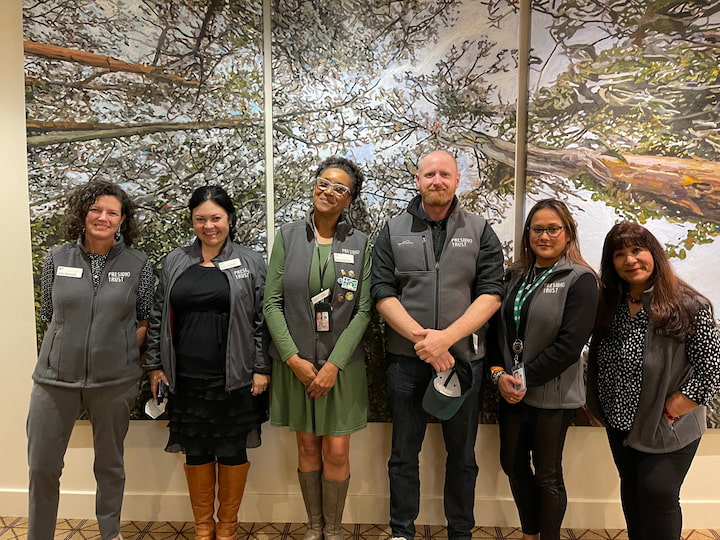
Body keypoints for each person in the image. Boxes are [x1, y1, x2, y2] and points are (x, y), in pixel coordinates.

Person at [371, 149, 504, 540]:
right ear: (418, 180)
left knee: (462, 457)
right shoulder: (393, 230)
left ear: (458, 180)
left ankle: (460, 532)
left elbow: (491, 292)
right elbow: (382, 292)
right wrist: (423, 341)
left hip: (464, 362)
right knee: (403, 455)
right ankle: (401, 532)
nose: (437, 181)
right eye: (429, 174)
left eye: (445, 174)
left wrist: (446, 339)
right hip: (406, 362)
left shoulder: (480, 230)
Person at [27, 180, 153, 540]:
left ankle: (109, 533)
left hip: (114, 383)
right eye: (95, 209)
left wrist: (117, 351)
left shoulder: (137, 264)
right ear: (82, 214)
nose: (102, 217)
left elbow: (143, 319)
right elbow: (50, 316)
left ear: (122, 219)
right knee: (42, 468)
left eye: (112, 212)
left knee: (110, 466)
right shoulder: (56, 258)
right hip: (54, 381)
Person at [145, 185, 269, 540]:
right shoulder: (175, 261)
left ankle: (227, 527)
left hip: (235, 376)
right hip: (185, 376)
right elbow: (158, 316)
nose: (209, 225)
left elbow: (262, 319)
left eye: (216, 218)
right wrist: (155, 365)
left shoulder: (250, 262)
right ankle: (203, 526)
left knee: (231, 449)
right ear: (192, 221)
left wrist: (261, 368)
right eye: (201, 219)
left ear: (229, 219)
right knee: (196, 450)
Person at [588, 222, 720, 540]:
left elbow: (712, 369)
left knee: (657, 494)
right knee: (633, 495)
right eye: (620, 254)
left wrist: (678, 405)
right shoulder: (609, 304)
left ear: (653, 254)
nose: (630, 260)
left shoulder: (689, 306)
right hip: (620, 422)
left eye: (637, 250)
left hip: (667, 423)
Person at [264, 157, 370, 540]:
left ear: (349, 200)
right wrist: (293, 359)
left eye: (339, 188)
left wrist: (333, 365)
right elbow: (272, 303)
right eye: (324, 183)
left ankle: (336, 530)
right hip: (296, 367)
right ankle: (314, 527)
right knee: (307, 446)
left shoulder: (360, 244)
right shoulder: (288, 237)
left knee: (337, 452)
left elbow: (362, 311)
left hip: (341, 369)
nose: (328, 192)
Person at [490, 199, 598, 540]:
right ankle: (530, 532)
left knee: (547, 475)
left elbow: (570, 345)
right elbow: (497, 332)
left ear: (568, 234)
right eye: (538, 229)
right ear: (528, 234)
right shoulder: (514, 276)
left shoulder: (581, 279)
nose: (545, 236)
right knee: (512, 464)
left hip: (553, 394)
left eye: (554, 229)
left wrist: (523, 379)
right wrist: (498, 375)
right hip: (511, 390)